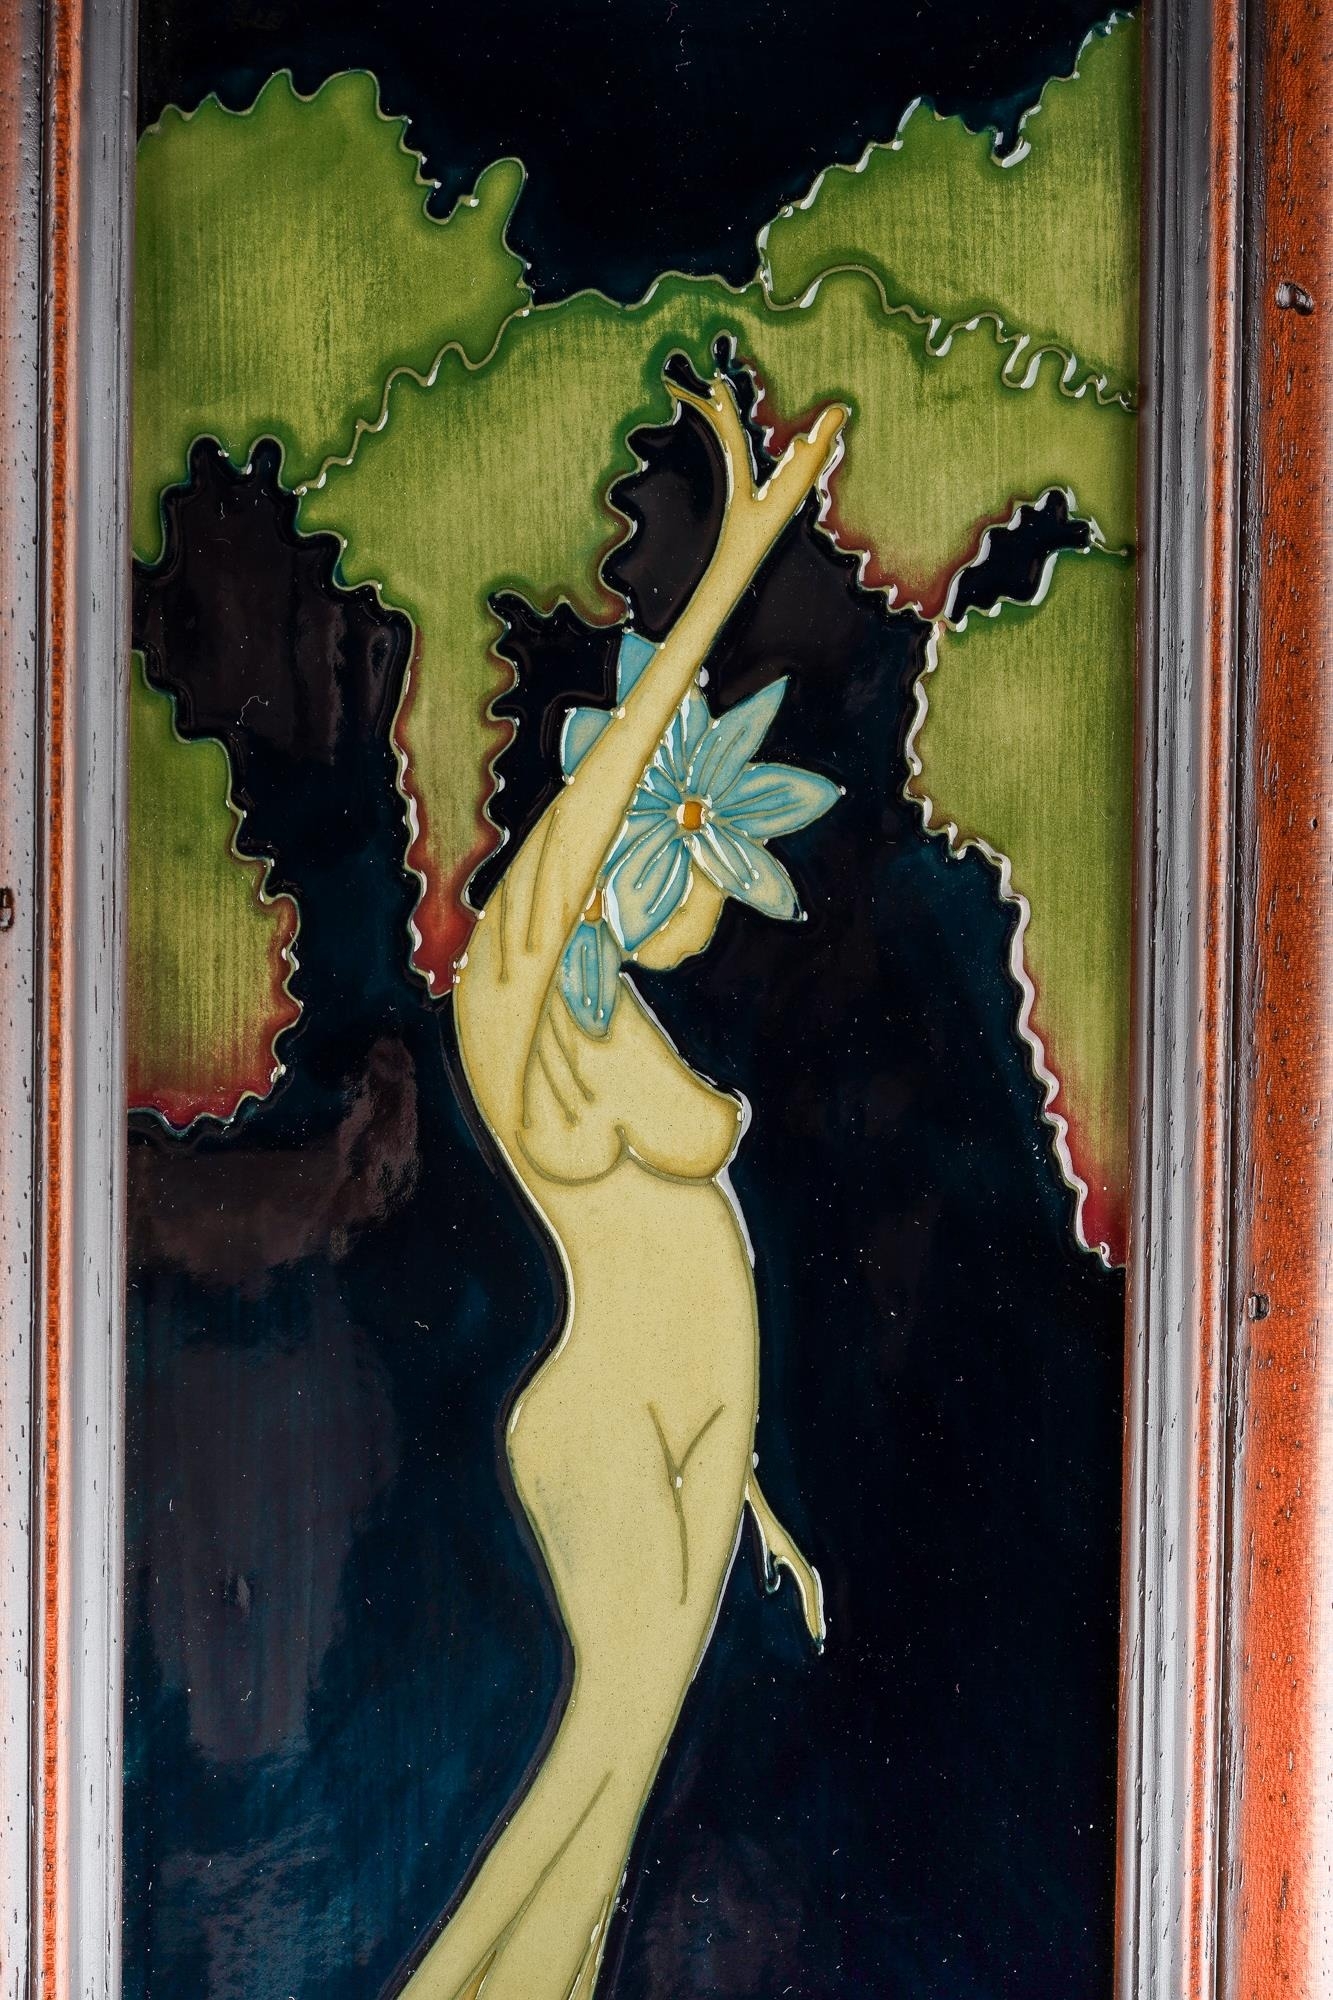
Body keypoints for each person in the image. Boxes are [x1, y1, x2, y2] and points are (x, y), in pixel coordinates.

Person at [407, 370, 848, 2000]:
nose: (705, 912)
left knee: (611, 1827)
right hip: (606, 1424)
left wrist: (760, 1507)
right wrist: (736, 557)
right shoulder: (516, 993)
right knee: (582, 1778)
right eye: (694, 875)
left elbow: (694, 1246)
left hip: (697, 1441)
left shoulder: (624, 1021)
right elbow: (601, 793)